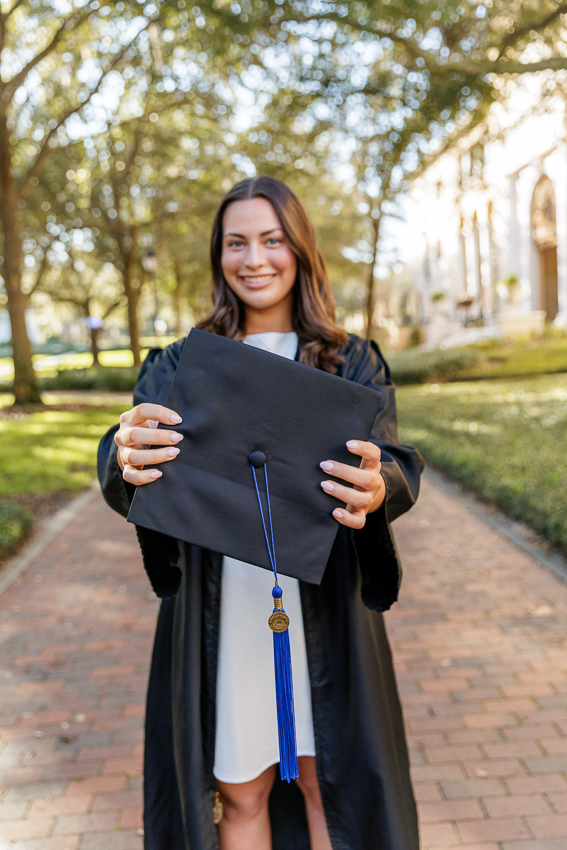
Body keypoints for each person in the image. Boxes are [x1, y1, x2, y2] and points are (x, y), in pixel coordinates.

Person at [97, 175, 423, 850]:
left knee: (322, 776)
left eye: (273, 240)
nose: (255, 259)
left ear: (300, 251)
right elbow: (125, 452)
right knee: (239, 788)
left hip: (322, 603)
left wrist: (377, 485)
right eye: (236, 242)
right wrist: (125, 452)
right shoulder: (182, 364)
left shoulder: (349, 361)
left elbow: (392, 461)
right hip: (222, 603)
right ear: (218, 254)